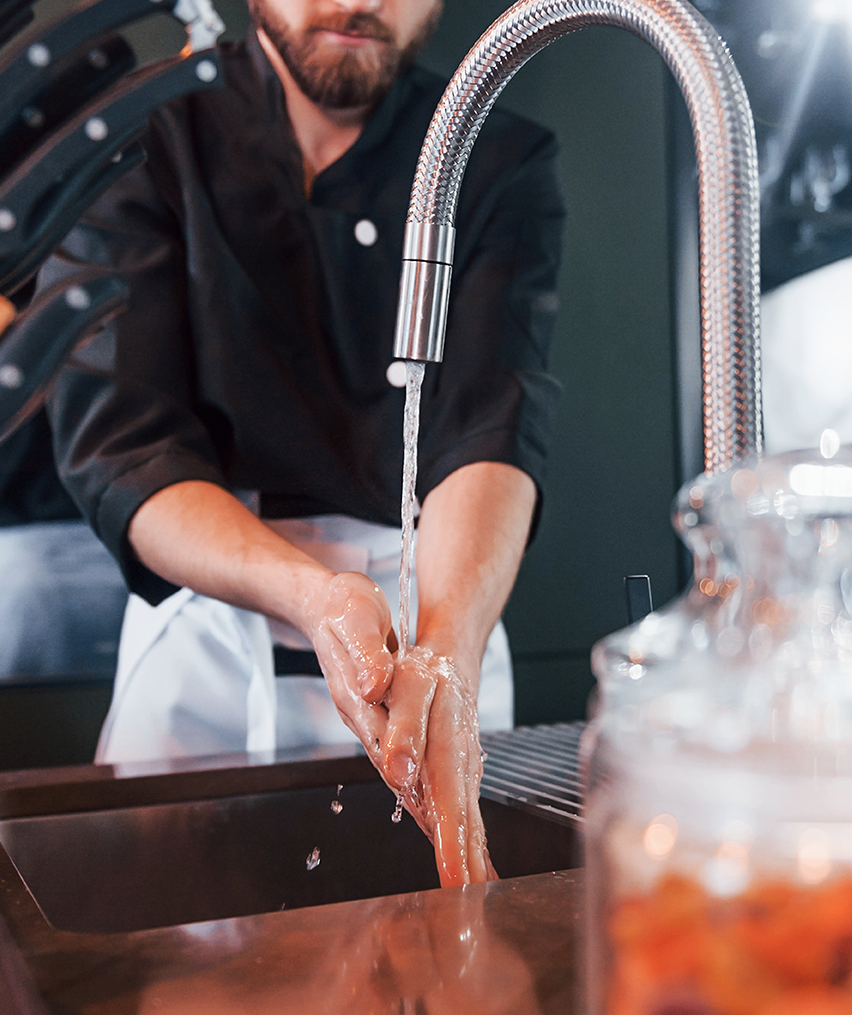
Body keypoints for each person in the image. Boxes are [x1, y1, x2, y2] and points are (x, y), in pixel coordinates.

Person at [41, 0, 564, 883]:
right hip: (206, 630)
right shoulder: (145, 135)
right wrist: (315, 598)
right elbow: (125, 448)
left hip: (435, 608)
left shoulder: (496, 153)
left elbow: (490, 423)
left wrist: (447, 644)